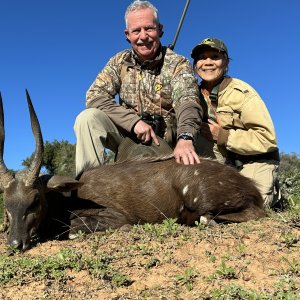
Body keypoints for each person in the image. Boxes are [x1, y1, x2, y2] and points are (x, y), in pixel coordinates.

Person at [74, 0, 203, 175]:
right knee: (87, 118)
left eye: (149, 28)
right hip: (127, 139)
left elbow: (188, 101)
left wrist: (186, 137)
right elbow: (95, 96)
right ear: (127, 35)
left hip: (165, 144)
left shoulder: (178, 63)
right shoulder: (119, 61)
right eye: (136, 31)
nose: (143, 36)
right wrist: (133, 122)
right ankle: (87, 187)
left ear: (160, 29)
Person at [191, 37, 281, 208]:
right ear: (195, 65)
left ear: (225, 62)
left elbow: (267, 139)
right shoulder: (191, 94)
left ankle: (272, 191)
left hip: (253, 161)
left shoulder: (242, 92)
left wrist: (223, 136)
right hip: (221, 163)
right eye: (202, 58)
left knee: (248, 205)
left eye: (215, 57)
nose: (208, 62)